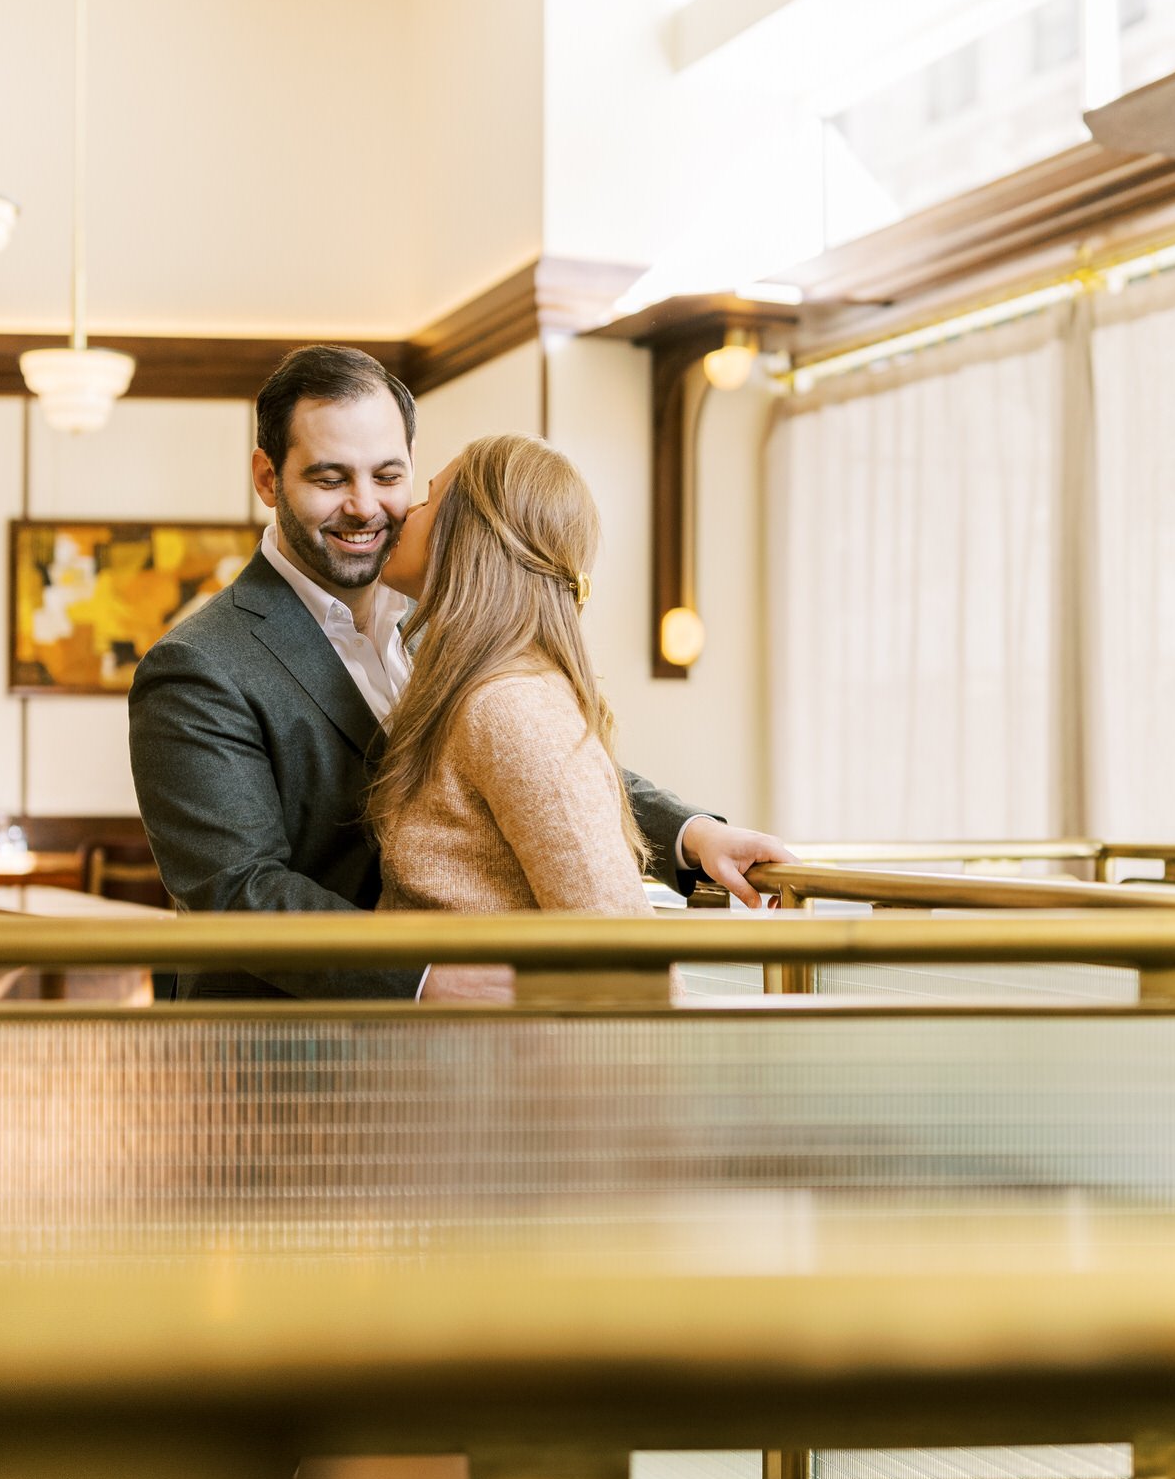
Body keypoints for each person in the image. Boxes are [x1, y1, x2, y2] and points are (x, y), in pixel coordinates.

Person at [128, 345, 792, 1000]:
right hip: (284, 1056)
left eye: (388, 477)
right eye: (330, 479)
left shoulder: (446, 625)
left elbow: (531, 765)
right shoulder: (196, 666)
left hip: (447, 1067)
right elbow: (237, 890)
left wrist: (689, 832)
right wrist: (422, 979)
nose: (365, 507)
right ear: (268, 478)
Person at [372, 435, 654, 956]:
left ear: (468, 535)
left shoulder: (510, 706)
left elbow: (621, 948)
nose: (404, 513)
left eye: (428, 501)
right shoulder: (483, 692)